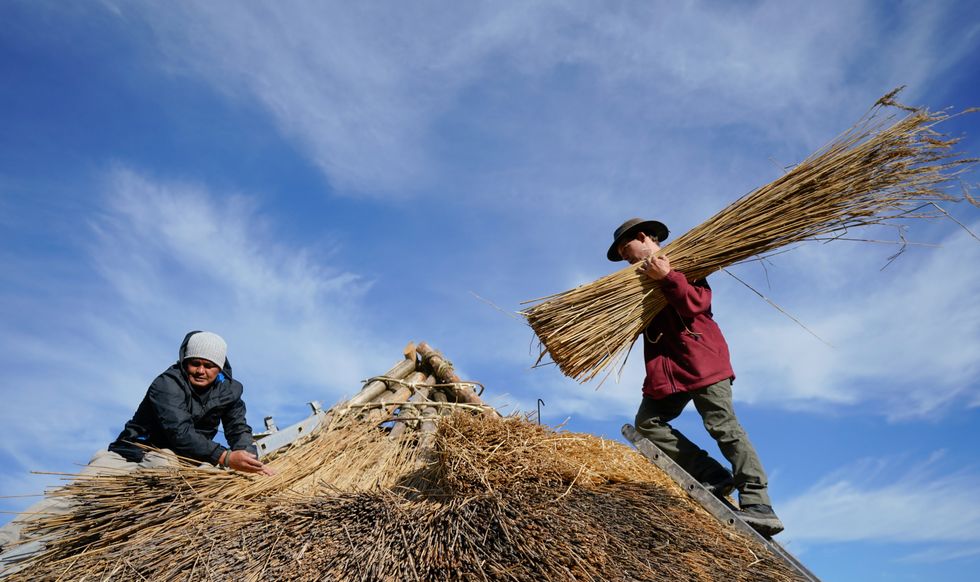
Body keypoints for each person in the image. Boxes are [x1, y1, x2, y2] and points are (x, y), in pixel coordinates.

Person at [0, 331, 272, 570]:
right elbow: (179, 432)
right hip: (132, 455)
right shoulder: (166, 384)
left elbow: (239, 430)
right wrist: (224, 457)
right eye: (195, 363)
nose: (201, 371)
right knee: (74, 498)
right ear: (184, 361)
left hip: (185, 460)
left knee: (176, 468)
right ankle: (6, 539)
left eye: (209, 365)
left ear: (220, 367)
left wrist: (249, 458)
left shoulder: (230, 392)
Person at [608, 218, 784, 536]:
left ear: (642, 237)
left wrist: (668, 277)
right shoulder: (635, 284)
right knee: (647, 424)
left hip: (703, 361)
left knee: (724, 428)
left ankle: (759, 503)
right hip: (669, 372)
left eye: (625, 249)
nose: (625, 257)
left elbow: (697, 303)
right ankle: (713, 475)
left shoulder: (686, 261)